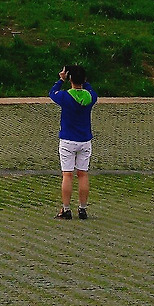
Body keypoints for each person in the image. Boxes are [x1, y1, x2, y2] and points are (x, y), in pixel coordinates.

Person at [49, 64, 97, 219]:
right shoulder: (90, 96)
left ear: (70, 79)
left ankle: (66, 209)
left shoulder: (65, 97)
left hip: (67, 140)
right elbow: (90, 90)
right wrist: (85, 81)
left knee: (67, 175)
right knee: (83, 174)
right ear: (84, 79)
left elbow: (52, 93)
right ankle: (82, 209)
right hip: (85, 140)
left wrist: (60, 80)